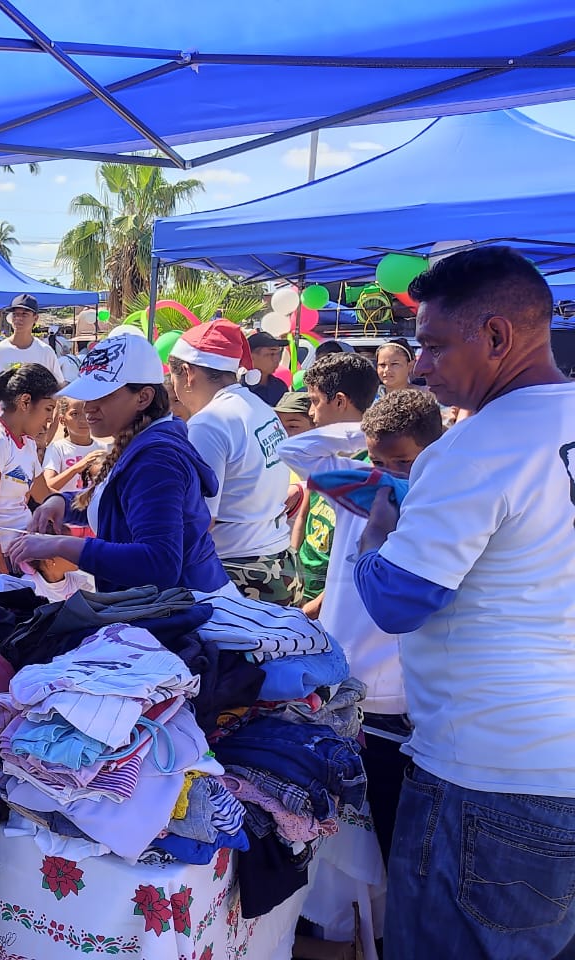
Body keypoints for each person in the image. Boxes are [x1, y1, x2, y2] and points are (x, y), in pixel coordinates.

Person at [352, 247, 575, 959]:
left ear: (498, 337)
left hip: (489, 779)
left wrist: (375, 539)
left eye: (435, 346)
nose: (421, 367)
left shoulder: (474, 448)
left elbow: (397, 601)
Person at [281, 388, 442, 868]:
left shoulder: (436, 505)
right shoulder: (357, 487)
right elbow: (294, 449)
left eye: (404, 461)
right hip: (338, 681)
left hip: (394, 696)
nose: (391, 473)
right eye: (380, 459)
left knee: (389, 832)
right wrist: (366, 430)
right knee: (340, 833)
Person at [6, 330, 233, 595]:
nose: (89, 406)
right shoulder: (141, 442)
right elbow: (117, 505)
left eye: (102, 395)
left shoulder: (156, 461)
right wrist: (61, 503)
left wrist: (60, 546)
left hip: (183, 611)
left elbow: (159, 564)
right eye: (87, 395)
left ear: (143, 397)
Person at [169, 320, 300, 605]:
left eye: (173, 378)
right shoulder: (260, 408)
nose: (174, 390)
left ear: (188, 373)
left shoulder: (209, 422)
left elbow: (199, 520)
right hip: (279, 564)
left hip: (238, 574)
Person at [294, 353, 380, 613]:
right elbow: (304, 514)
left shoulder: (373, 465)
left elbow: (357, 554)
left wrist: (315, 607)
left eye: (314, 401)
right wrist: (293, 563)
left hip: (333, 595)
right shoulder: (323, 454)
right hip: (303, 582)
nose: (310, 412)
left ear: (340, 401)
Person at [0, 363, 58, 571]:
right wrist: (3, 576)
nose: (50, 419)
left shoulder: (28, 443)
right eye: (48, 409)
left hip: (18, 555)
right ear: (25, 402)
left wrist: (87, 504)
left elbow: (45, 496)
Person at [0, 294, 63, 385]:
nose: (18, 318)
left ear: (35, 318)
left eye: (24, 314)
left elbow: (58, 386)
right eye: (15, 314)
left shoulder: (46, 352)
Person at [42, 396, 109, 495]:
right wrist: (79, 466)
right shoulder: (57, 448)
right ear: (62, 420)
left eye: (87, 412)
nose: (83, 420)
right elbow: (47, 486)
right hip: (66, 507)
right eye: (75, 414)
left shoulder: (104, 449)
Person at [246, 330, 289, 406]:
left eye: (278, 354)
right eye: (271, 354)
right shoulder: (241, 387)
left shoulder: (280, 386)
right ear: (251, 357)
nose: (276, 359)